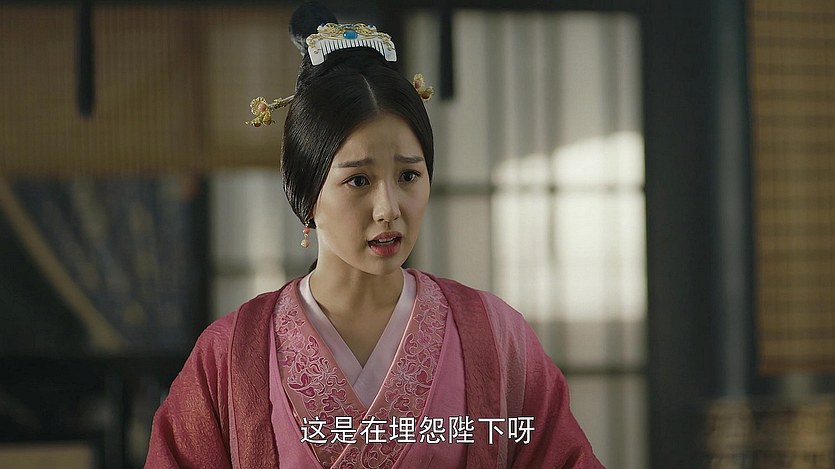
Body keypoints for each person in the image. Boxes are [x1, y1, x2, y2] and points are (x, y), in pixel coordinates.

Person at [146, 3, 603, 468]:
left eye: (408, 176)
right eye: (359, 180)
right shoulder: (229, 355)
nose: (389, 209)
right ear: (308, 193)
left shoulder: (496, 337)